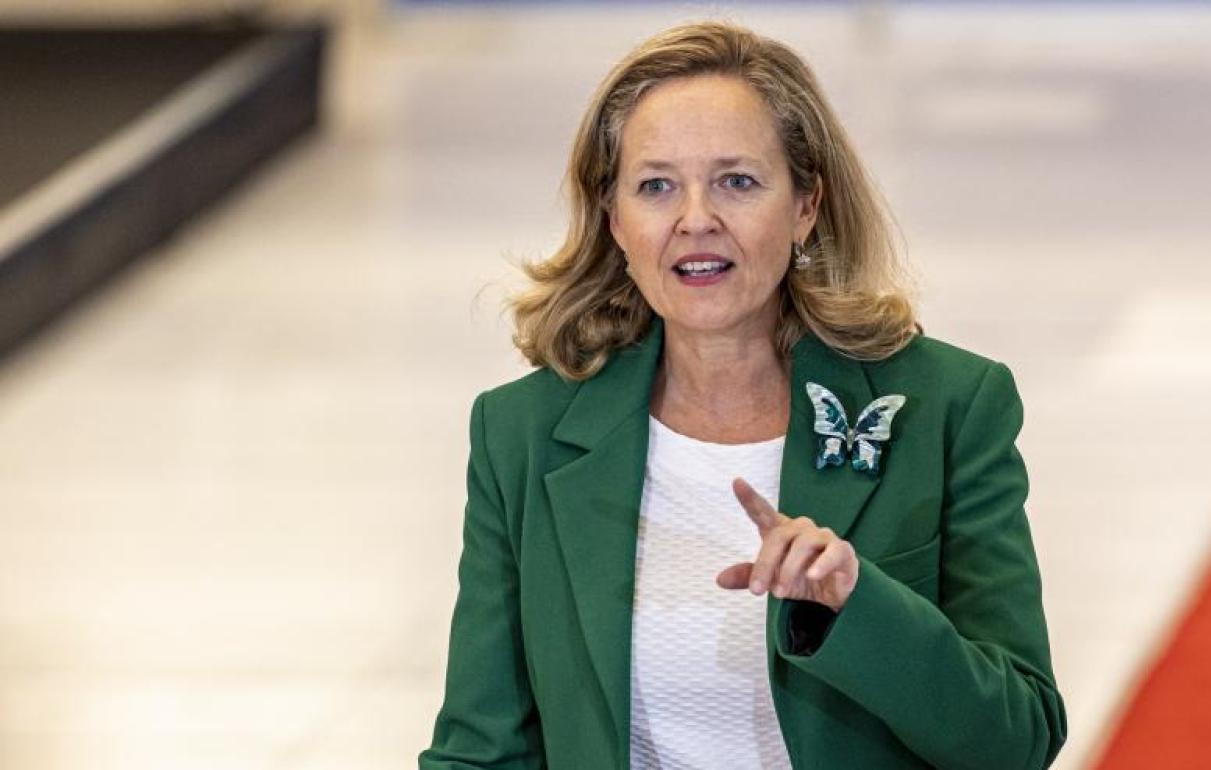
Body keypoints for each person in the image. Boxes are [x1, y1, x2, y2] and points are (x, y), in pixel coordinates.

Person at [418, 19, 1066, 770]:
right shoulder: (522, 433)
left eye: (737, 181)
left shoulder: (947, 407)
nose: (696, 219)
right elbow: (481, 751)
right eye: (656, 186)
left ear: (806, 205)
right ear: (613, 218)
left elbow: (1017, 741)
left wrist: (859, 602)